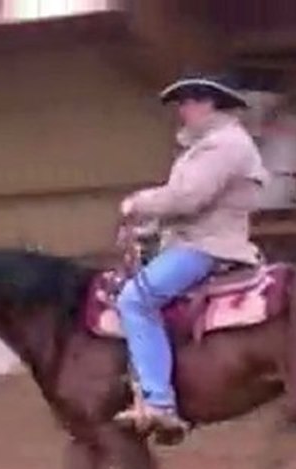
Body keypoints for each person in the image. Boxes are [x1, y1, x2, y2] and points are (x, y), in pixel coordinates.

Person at [114, 73, 269, 441]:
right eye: (181, 103)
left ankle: (159, 402)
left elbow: (187, 199)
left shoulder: (223, 145)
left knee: (135, 300)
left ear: (209, 103)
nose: (182, 110)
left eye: (188, 102)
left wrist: (137, 204)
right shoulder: (211, 145)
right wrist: (145, 229)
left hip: (207, 247)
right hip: (195, 240)